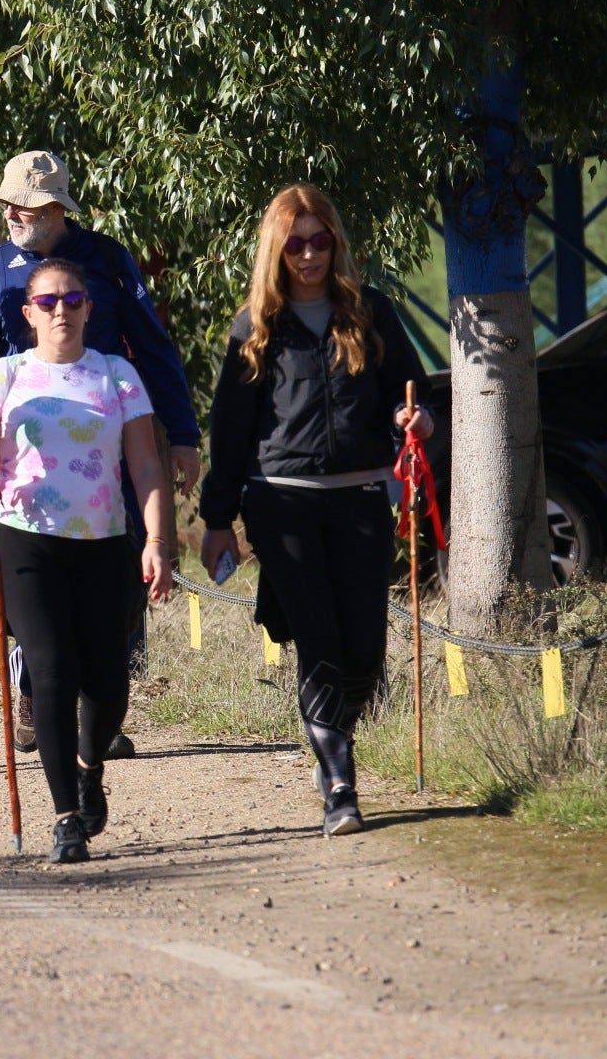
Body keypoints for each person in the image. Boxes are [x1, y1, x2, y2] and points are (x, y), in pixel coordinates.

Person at [0, 150, 201, 759]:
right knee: (27, 589)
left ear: (57, 208)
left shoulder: (109, 263)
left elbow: (155, 349)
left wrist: (184, 434)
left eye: (24, 204)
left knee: (107, 587)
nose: (11, 212)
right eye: (5, 202)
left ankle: (99, 708)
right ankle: (34, 697)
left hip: (102, 450)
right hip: (21, 458)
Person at [199, 185, 430, 838]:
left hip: (360, 498)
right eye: (295, 243)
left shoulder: (371, 314)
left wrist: (417, 420)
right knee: (321, 644)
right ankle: (339, 784)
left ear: (336, 243)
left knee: (365, 648)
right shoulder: (255, 328)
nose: (308, 255)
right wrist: (218, 520)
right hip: (281, 503)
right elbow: (230, 433)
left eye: (319, 241)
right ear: (277, 249)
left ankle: (330, 738)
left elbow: (410, 395)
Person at [0, 257, 174, 862]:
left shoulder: (117, 376)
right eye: (47, 302)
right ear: (28, 314)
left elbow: (146, 467)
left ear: (89, 309)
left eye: (72, 299)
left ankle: (90, 767)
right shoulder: (5, 376)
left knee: (109, 683)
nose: (61, 310)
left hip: (103, 542)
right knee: (51, 673)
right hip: (25, 539)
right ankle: (65, 815)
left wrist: (157, 542)